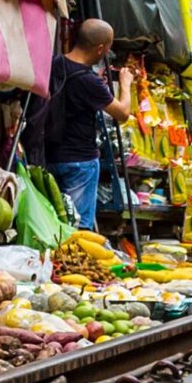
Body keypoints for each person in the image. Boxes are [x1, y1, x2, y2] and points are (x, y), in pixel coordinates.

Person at [45, 18, 132, 231]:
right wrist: (125, 85)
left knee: (54, 223)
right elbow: (122, 113)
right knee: (77, 228)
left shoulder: (54, 64)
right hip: (80, 161)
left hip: (50, 155)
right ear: (100, 48)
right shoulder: (90, 81)